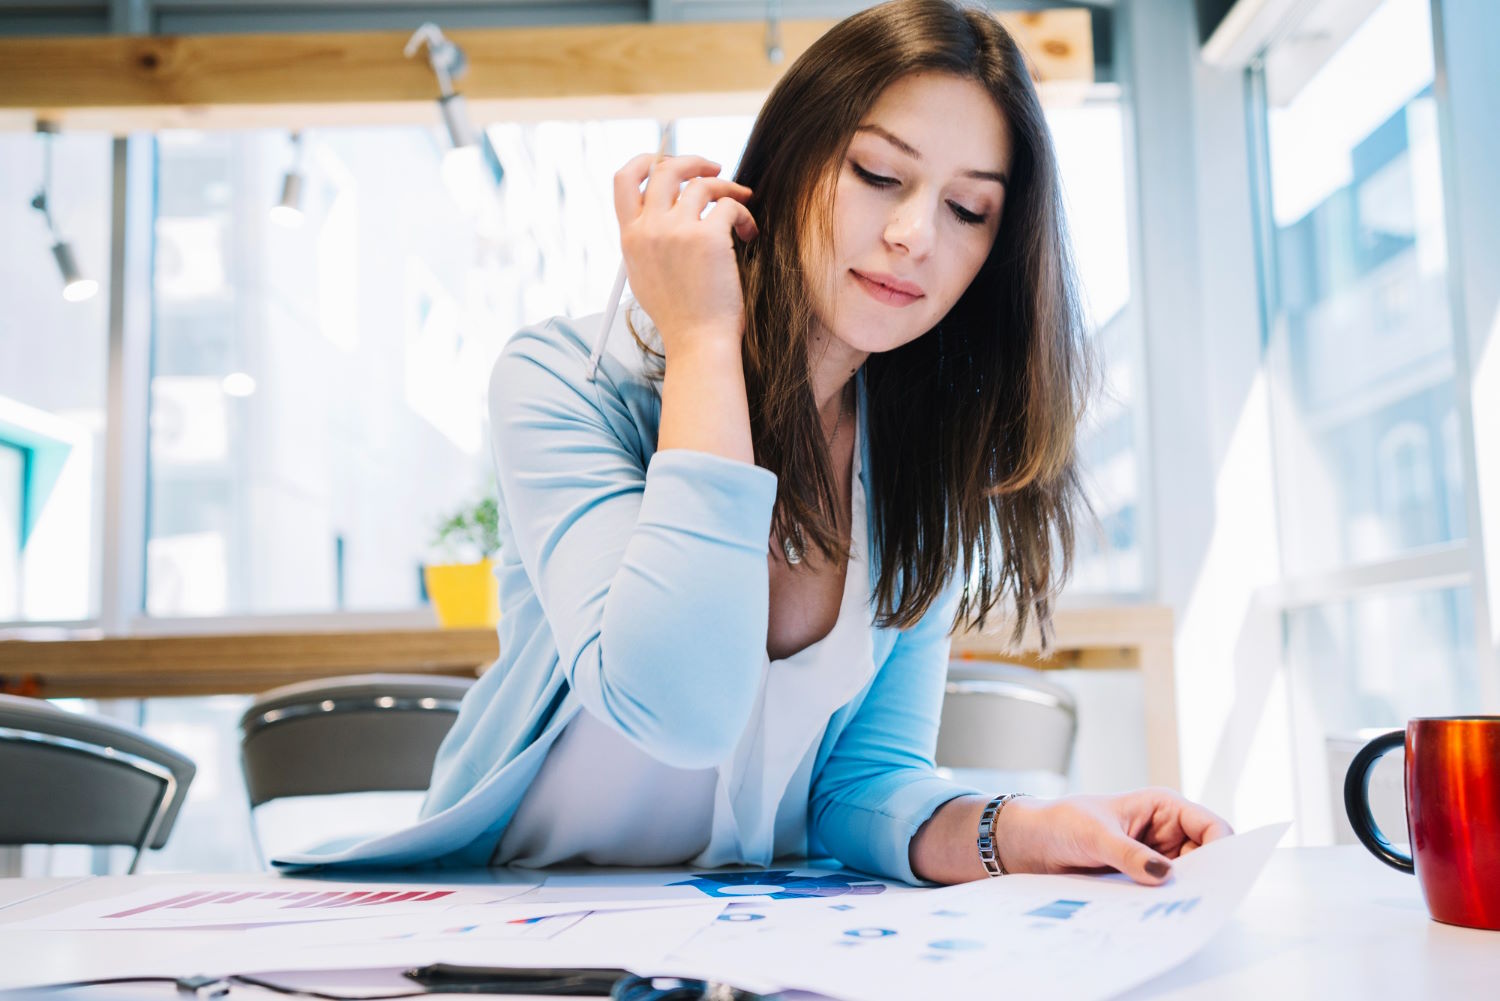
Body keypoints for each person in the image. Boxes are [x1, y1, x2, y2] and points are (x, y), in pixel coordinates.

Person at [275, 0, 1231, 885]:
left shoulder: (916, 467)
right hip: (505, 933)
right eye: (878, 174)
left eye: (967, 209)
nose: (912, 235)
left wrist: (1028, 828)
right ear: (789, 161)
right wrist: (700, 340)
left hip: (742, 946)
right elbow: (677, 709)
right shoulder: (565, 380)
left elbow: (863, 786)